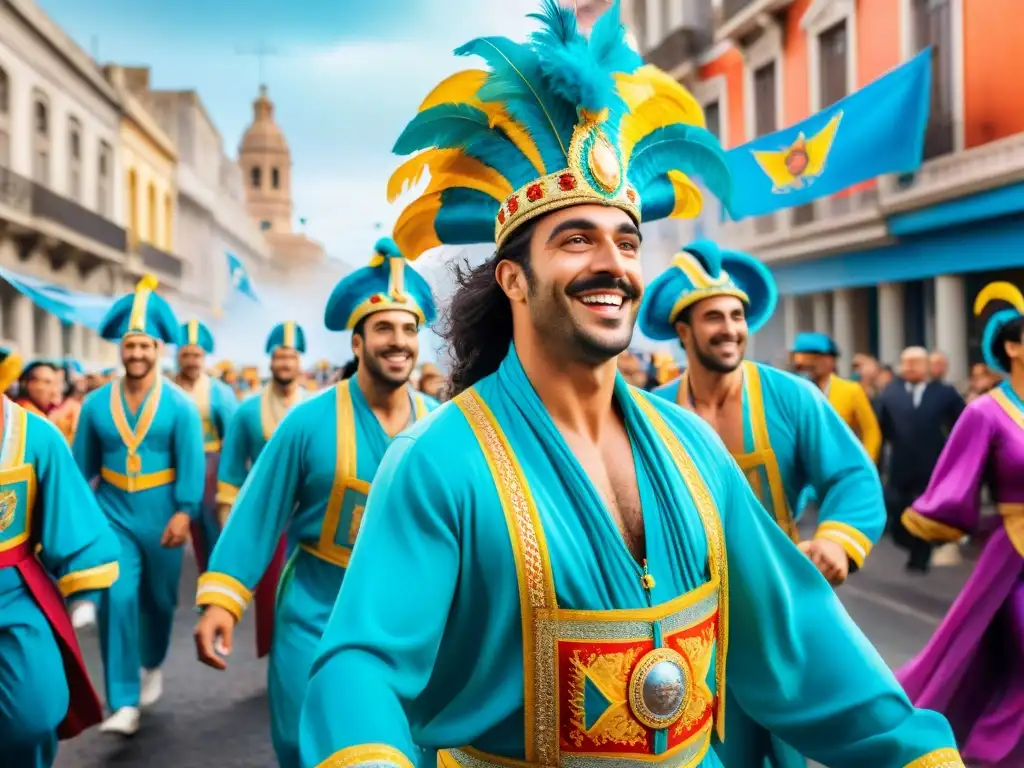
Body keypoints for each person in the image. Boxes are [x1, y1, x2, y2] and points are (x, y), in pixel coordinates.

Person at [298, 5, 963, 768]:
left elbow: (800, 636)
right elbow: (360, 667)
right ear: (513, 278)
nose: (610, 263)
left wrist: (915, 754)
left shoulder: (690, 447)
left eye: (625, 240)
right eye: (575, 239)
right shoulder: (437, 460)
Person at [193, 237, 441, 768]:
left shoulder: (442, 423)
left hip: (408, 617)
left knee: (406, 748)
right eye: (383, 328)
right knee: (308, 743)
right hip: (315, 611)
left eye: (408, 329)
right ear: (357, 343)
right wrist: (221, 600)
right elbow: (258, 512)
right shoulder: (305, 422)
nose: (398, 341)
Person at [639, 242, 887, 767]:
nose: (729, 328)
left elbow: (851, 476)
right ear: (683, 332)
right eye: (713, 317)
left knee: (790, 745)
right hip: (686, 612)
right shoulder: (651, 412)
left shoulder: (791, 396)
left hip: (777, 600)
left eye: (736, 315)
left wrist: (837, 540)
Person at [72, 275, 206, 735]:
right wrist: (79, 523)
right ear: (120, 349)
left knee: (159, 601)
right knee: (118, 597)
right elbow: (78, 472)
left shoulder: (181, 405)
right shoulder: (93, 406)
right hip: (112, 512)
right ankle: (122, 700)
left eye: (145, 346)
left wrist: (185, 511)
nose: (136, 354)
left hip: (164, 512)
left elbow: (191, 464)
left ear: (158, 350)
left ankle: (152, 663)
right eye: (130, 346)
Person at [898, 281, 1024, 766]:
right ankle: (993, 753)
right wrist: (935, 520)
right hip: (1014, 556)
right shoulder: (986, 412)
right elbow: (955, 482)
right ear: (1011, 348)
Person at [0, 393, 121, 767]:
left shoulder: (33, 435)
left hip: (14, 593)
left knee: (34, 714)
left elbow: (67, 506)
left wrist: (82, 587)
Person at [215, 321, 309, 659]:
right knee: (270, 593)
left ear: (300, 362)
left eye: (291, 357)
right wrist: (231, 524)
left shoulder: (317, 407)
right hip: (267, 517)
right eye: (279, 357)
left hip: (309, 514)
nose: (285, 364)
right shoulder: (246, 412)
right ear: (270, 362)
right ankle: (278, 660)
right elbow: (230, 471)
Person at [876, 346, 966, 572]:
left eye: (916, 362)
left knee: (924, 514)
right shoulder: (890, 393)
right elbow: (880, 429)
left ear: (927, 366)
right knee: (897, 514)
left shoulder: (945, 393)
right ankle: (910, 544)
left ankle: (920, 556)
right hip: (900, 467)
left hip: (933, 466)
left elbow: (963, 426)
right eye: (906, 362)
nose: (910, 367)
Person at [174, 319, 239, 571]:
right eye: (186, 354)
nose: (191, 360)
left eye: (196, 355)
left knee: (211, 529)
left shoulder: (220, 392)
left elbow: (233, 439)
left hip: (210, 465)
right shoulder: (167, 388)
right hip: (172, 466)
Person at [790, 331, 882, 463]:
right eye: (801, 365)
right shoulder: (794, 390)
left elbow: (871, 431)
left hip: (841, 466)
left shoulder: (850, 390)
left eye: (813, 361)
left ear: (830, 360)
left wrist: (865, 464)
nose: (806, 368)